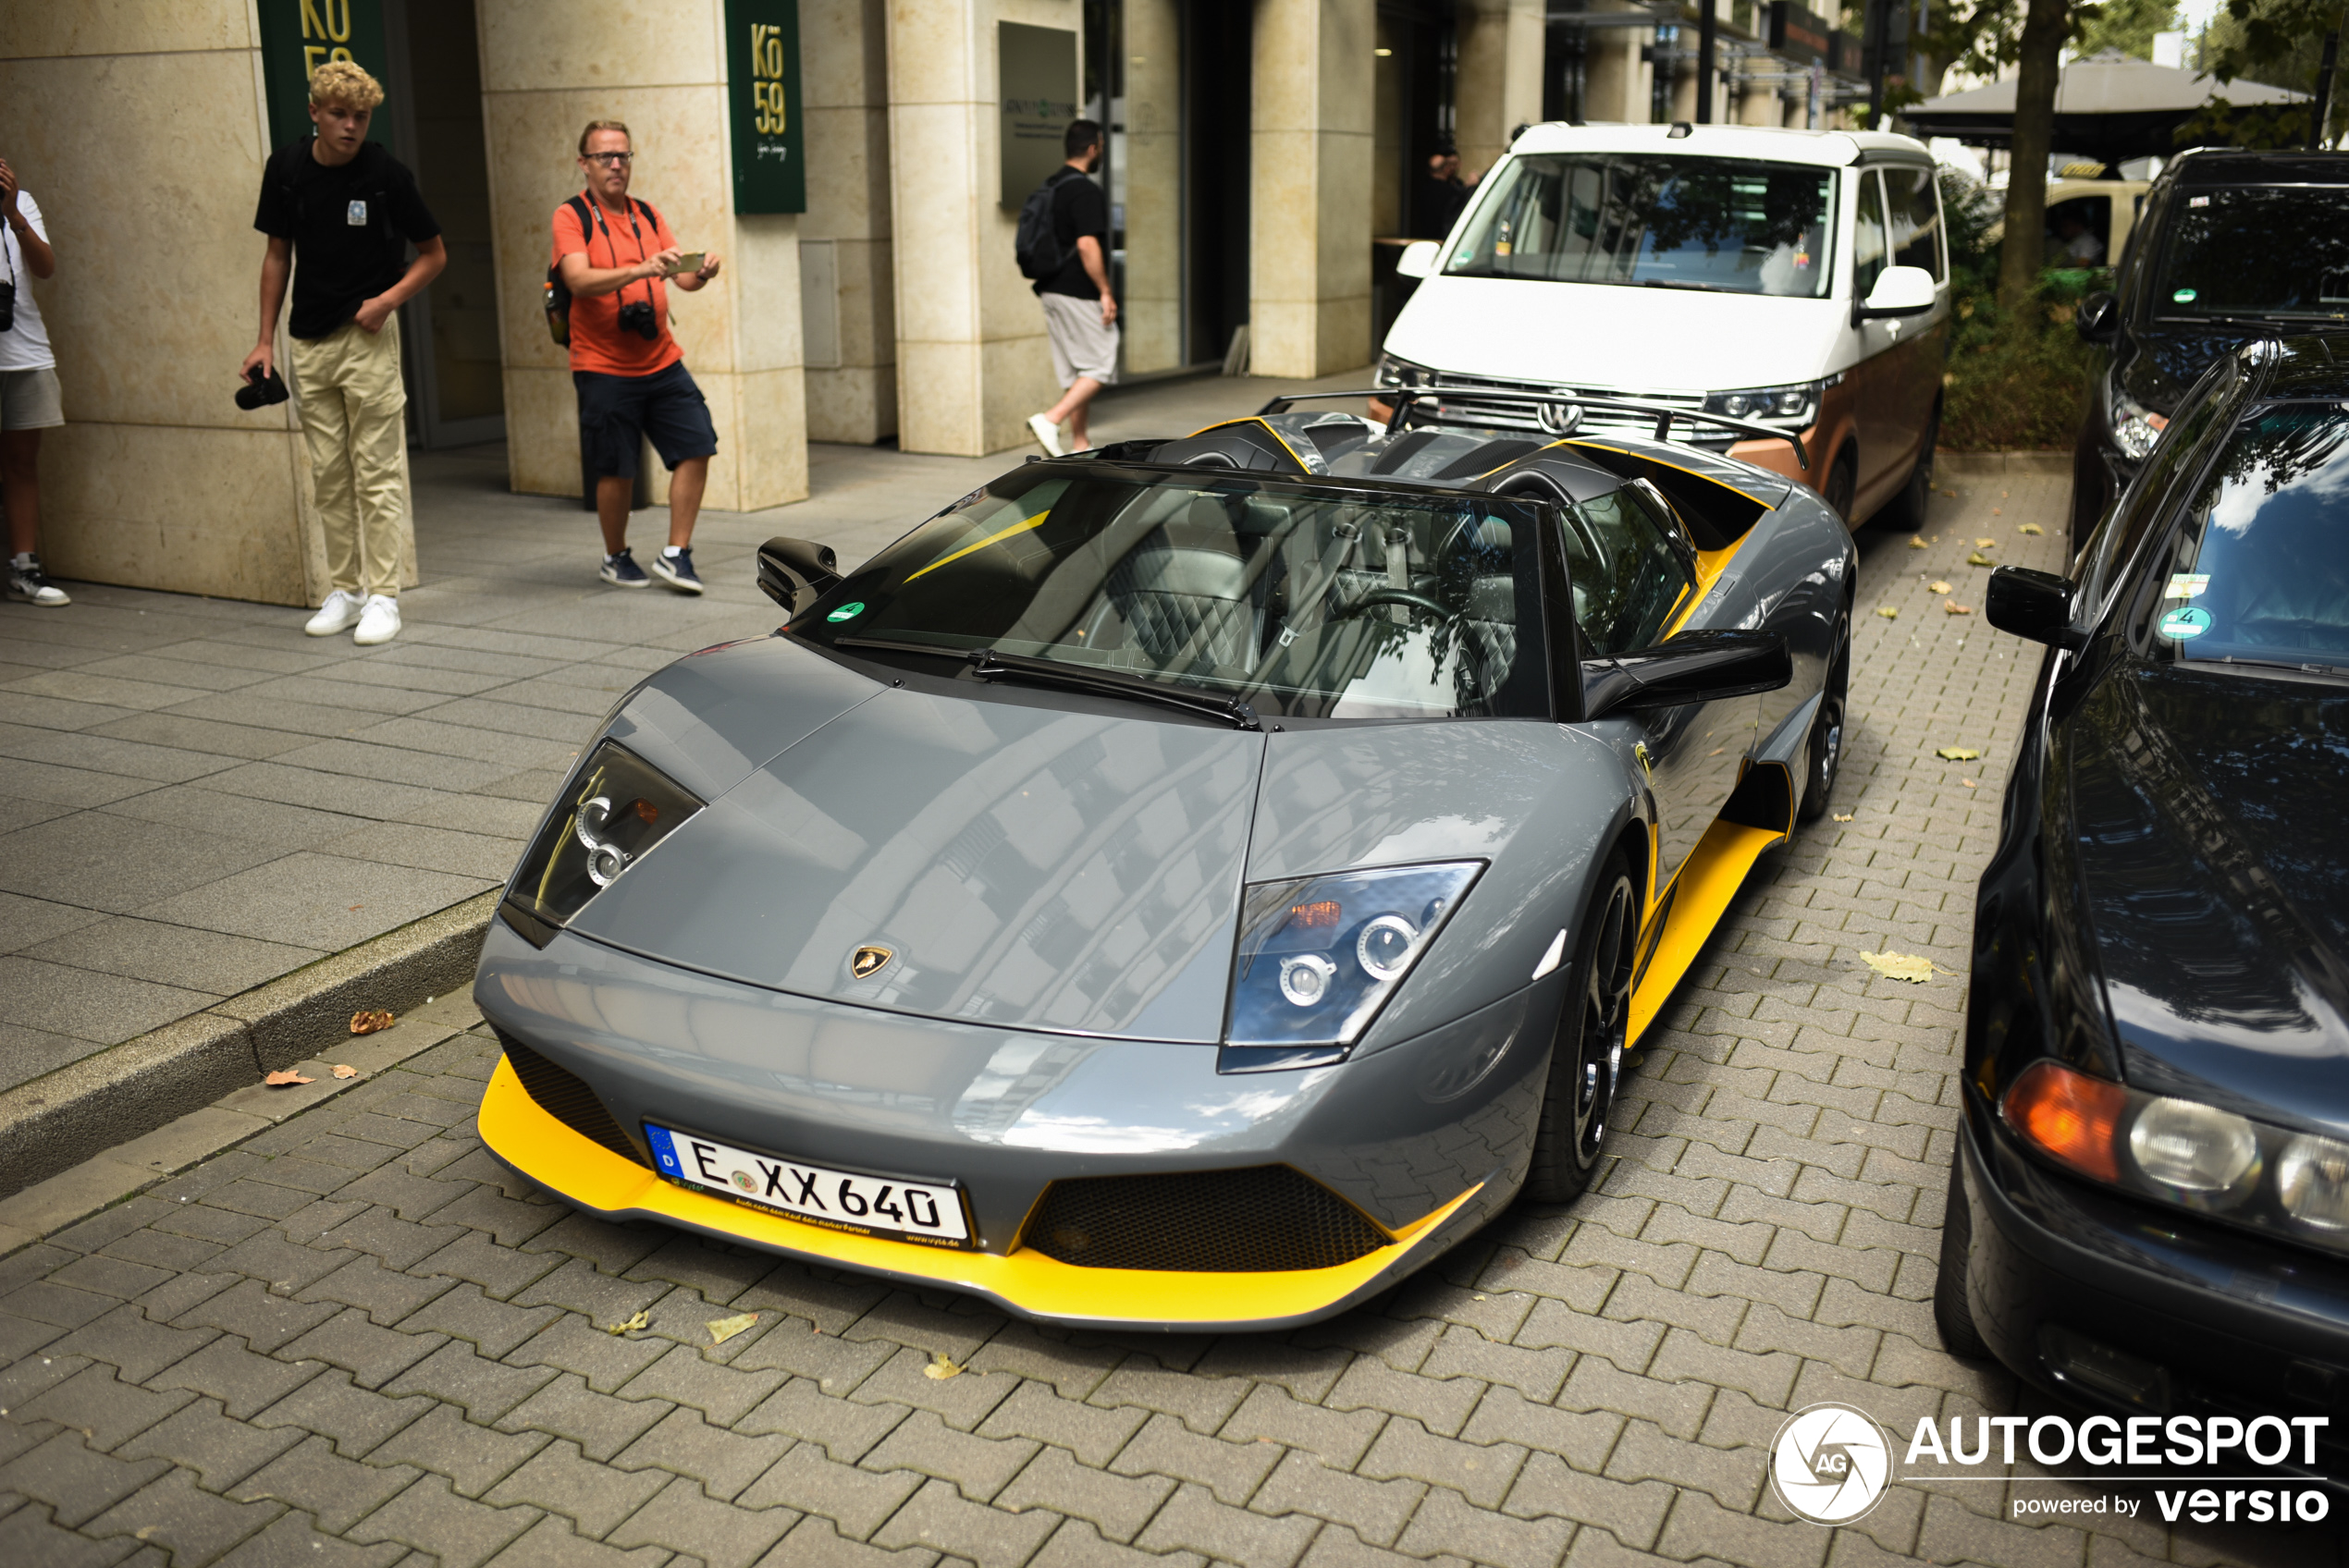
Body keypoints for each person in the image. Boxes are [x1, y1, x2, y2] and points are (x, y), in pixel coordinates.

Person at [245, 62, 444, 647]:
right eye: (339, 114)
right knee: (330, 475)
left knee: (377, 472)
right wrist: (264, 340)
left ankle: (383, 596)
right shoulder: (286, 170)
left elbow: (434, 255)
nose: (350, 126)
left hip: (368, 337)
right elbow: (277, 257)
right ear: (314, 113)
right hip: (308, 339)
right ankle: (347, 589)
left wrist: (386, 301)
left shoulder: (386, 174)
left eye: (360, 116)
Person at [554, 120, 722, 593]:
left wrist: (703, 270)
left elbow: (681, 277)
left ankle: (676, 554)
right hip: (602, 365)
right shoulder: (572, 217)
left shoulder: (646, 214)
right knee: (616, 467)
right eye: (605, 156)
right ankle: (615, 555)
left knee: (696, 445)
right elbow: (578, 280)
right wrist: (639, 269)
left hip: (661, 360)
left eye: (623, 156)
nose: (615, 165)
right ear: (583, 163)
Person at [1025, 119, 1118, 457]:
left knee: (1078, 370)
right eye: (1102, 147)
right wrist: (1105, 290)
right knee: (1102, 361)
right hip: (1077, 289)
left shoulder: (1051, 185)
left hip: (1049, 289)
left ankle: (1080, 444)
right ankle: (1051, 420)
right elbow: (1086, 245)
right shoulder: (1084, 190)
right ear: (1093, 149)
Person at [0, 153, 66, 607]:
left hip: (23, 352)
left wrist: (12, 215)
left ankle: (25, 567)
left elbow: (44, 267)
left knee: (23, 463)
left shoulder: (21, 203)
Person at [1421, 148, 1468, 240]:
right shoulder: (1450, 191)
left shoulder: (1424, 187)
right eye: (1449, 164)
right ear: (1445, 169)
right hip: (1442, 236)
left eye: (1455, 164)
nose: (1452, 168)